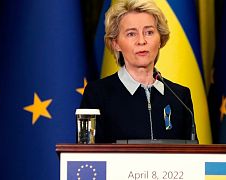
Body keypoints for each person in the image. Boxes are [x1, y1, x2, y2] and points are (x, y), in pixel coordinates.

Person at [80, 0, 197, 143]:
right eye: (131, 34)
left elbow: (192, 157)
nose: (141, 41)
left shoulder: (180, 97)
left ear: (160, 39)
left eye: (149, 32)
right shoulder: (98, 95)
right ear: (116, 43)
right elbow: (87, 157)